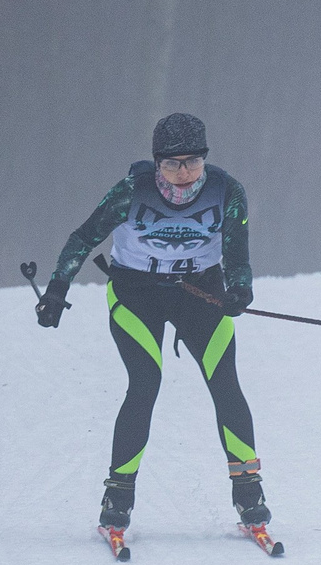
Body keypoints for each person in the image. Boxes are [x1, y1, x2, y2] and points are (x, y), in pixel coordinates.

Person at [35, 112, 266, 534]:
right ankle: (118, 496)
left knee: (226, 383)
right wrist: (56, 289)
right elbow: (82, 238)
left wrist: (240, 290)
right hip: (136, 294)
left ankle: (249, 493)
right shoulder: (131, 191)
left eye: (193, 161)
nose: (183, 173)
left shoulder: (227, 191)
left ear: (205, 159)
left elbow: (237, 253)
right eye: (172, 163)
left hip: (200, 292)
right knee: (145, 384)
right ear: (156, 162)